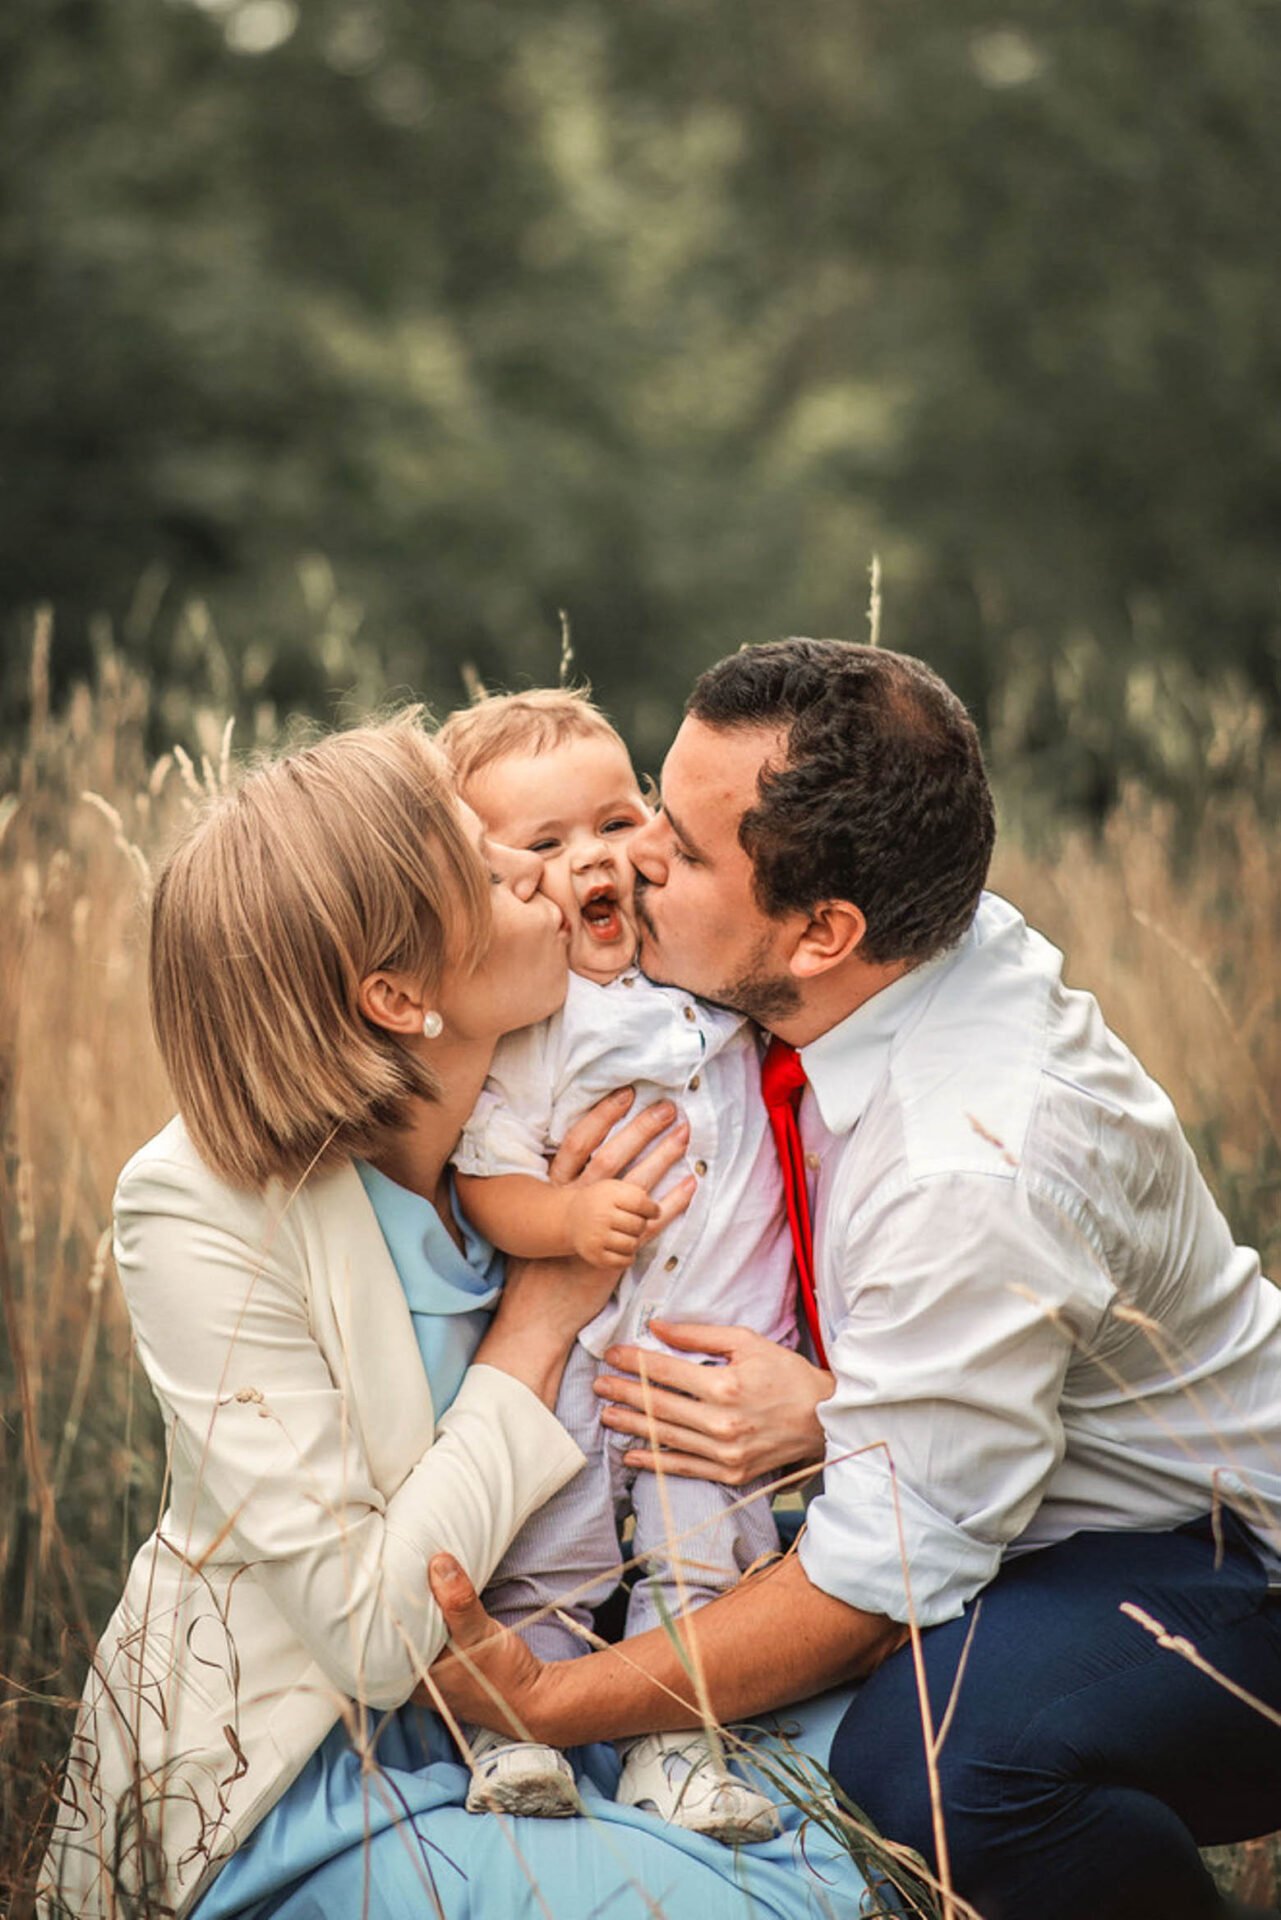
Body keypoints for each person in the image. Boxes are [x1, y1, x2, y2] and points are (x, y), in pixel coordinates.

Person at [429, 639, 1281, 1920]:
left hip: (1217, 1557)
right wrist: (842, 1409)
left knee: (937, 1764)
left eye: (686, 847)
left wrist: (545, 1699)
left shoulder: (973, 1161)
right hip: (1029, 1491)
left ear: (826, 931)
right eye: (656, 796)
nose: (637, 851)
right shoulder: (856, 958)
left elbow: (874, 1588)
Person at [39, 713, 880, 1920]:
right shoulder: (203, 1212)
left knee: (921, 1787)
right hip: (326, 1775)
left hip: (585, 1683)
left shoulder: (595, 1076)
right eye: (490, 871)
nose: (543, 874)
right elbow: (376, 1636)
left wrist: (813, 1410)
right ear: (398, 995)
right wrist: (540, 1319)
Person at [436, 689, 795, 1842]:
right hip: (594, 1354)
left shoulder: (699, 963)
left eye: (613, 820)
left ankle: (678, 1747)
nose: (593, 860)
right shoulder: (540, 1023)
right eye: (542, 848)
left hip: (714, 1358)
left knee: (711, 1550)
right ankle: (516, 1736)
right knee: (555, 1539)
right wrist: (567, 1218)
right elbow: (488, 1180)